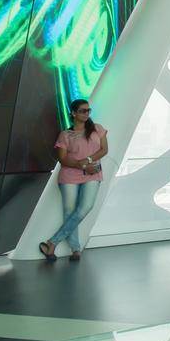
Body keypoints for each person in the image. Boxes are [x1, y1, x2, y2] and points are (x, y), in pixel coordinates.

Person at [41, 99, 107, 264]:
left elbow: (104, 150)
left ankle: (52, 242)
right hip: (70, 175)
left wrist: (88, 160)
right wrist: (83, 165)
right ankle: (76, 249)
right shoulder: (65, 134)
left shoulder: (97, 128)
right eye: (83, 111)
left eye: (88, 110)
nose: (86, 114)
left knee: (85, 207)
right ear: (73, 113)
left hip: (93, 174)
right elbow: (63, 160)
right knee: (70, 212)